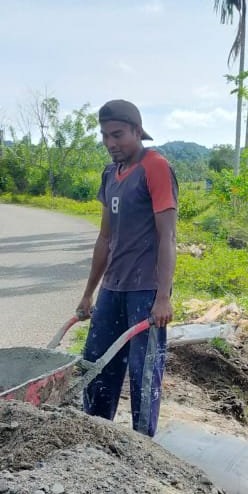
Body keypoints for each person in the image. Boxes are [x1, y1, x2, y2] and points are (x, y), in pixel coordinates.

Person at [75, 99, 177, 437]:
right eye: (105, 136)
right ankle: (97, 434)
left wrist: (163, 296)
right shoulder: (110, 174)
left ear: (137, 131)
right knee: (95, 364)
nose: (110, 144)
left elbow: (168, 237)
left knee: (143, 371)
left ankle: (142, 444)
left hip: (145, 291)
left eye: (117, 135)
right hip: (113, 288)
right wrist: (89, 293)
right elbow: (105, 238)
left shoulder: (156, 167)